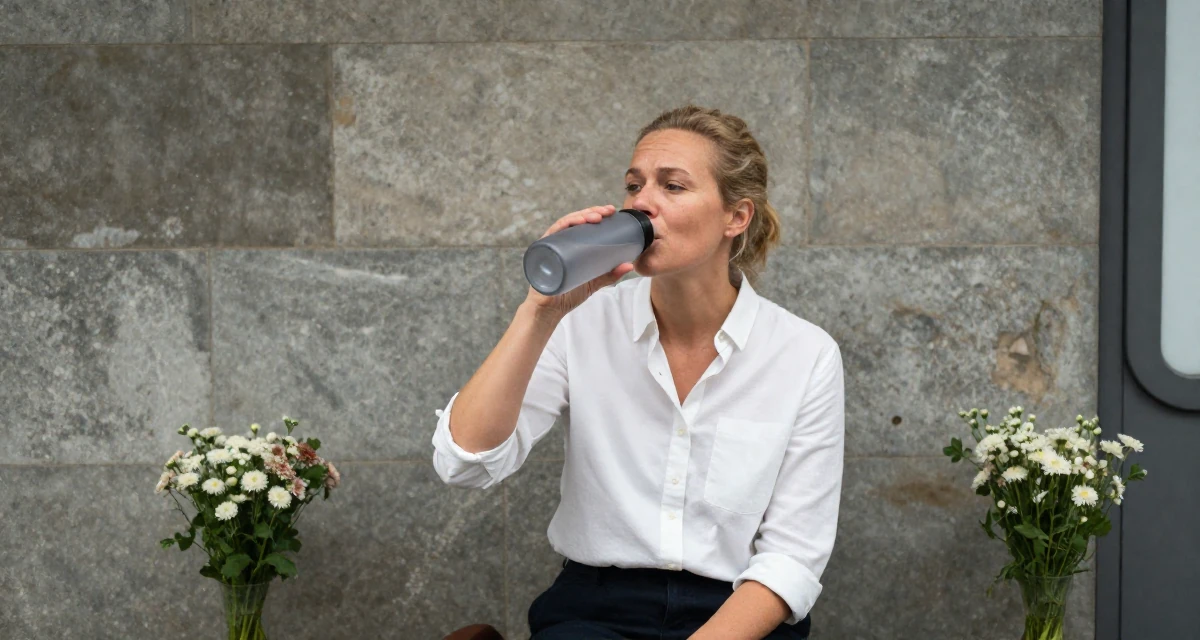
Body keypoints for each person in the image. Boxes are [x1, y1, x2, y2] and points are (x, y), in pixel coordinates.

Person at [431, 105, 844, 640]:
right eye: (634, 185)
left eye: (672, 186)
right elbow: (462, 463)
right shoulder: (581, 322)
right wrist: (539, 312)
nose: (641, 203)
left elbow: (792, 557)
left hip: (737, 616)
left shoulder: (804, 354)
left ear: (735, 217)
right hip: (595, 614)